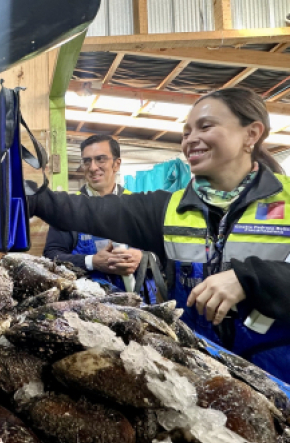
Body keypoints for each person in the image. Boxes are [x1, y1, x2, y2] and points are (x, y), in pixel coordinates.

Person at [26, 87, 290, 383]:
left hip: (277, 371)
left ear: (251, 134)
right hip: (197, 369)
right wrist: (29, 195)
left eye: (205, 126)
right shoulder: (169, 208)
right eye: (186, 132)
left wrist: (251, 278)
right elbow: (88, 210)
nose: (190, 139)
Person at [43, 135, 149, 296]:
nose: (92, 168)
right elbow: (51, 256)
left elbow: (164, 253)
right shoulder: (68, 209)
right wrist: (91, 262)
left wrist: (142, 257)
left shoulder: (138, 206)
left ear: (116, 164)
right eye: (87, 161)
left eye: (100, 159)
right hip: (88, 303)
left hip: (139, 300)